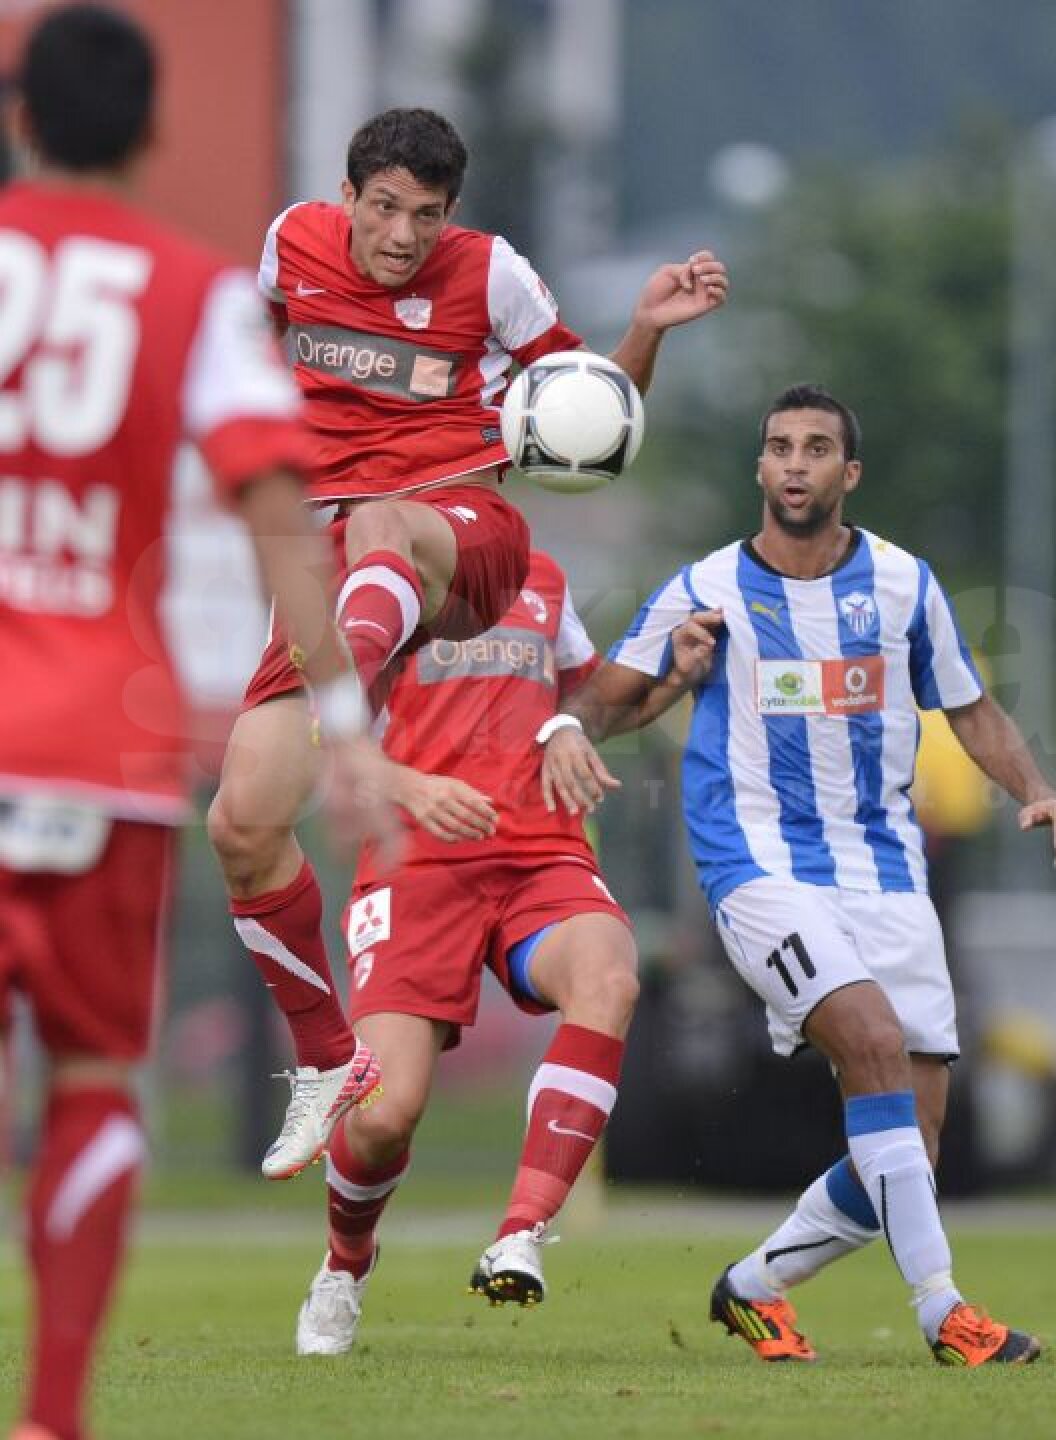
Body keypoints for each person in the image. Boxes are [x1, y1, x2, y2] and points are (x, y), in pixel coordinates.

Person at [0, 8, 396, 1438]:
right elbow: (280, 513)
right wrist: (343, 721)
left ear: (19, 115)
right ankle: (51, 1417)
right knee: (97, 1081)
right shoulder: (190, 293)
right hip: (95, 760)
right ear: (155, 134)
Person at [205, 105, 729, 1182]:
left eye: (427, 216)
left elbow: (591, 418)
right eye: (386, 209)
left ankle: (351, 724)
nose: (404, 235)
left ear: (453, 216)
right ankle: (325, 1060)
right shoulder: (287, 247)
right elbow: (253, 366)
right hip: (337, 571)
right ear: (346, 198)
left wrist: (646, 332)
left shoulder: (492, 276)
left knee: (386, 522)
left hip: (464, 545)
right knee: (241, 825)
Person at [539, 383, 1056, 1368]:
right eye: (780, 447)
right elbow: (605, 697)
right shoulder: (705, 588)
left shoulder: (902, 585)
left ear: (849, 473)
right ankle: (945, 1312)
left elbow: (969, 710)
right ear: (761, 469)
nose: (795, 463)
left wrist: (1036, 791)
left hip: (885, 873)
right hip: (758, 871)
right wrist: (585, 721)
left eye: (817, 447)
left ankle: (754, 1287)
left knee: (909, 1148)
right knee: (871, 1044)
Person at [292, 548, 676, 1355]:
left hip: (540, 849)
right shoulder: (381, 578)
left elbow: (586, 699)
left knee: (609, 978)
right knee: (385, 1115)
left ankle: (519, 1234)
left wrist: (662, 686)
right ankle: (344, 1264)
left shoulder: (544, 573)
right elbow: (320, 725)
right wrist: (412, 787)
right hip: (416, 862)